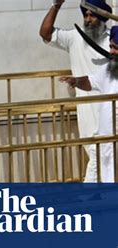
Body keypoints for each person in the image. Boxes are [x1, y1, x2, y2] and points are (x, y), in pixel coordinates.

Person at [39, 0, 112, 182]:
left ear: (103, 18)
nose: (87, 19)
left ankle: (89, 196)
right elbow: (45, 33)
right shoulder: (75, 38)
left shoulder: (113, 40)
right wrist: (56, 5)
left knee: (99, 154)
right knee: (96, 153)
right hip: (86, 107)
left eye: (92, 16)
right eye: (85, 15)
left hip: (109, 107)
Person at [59, 25, 118, 183]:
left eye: (116, 48)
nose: (112, 52)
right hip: (106, 135)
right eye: (111, 47)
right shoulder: (109, 69)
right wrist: (76, 81)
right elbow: (90, 81)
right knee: (100, 163)